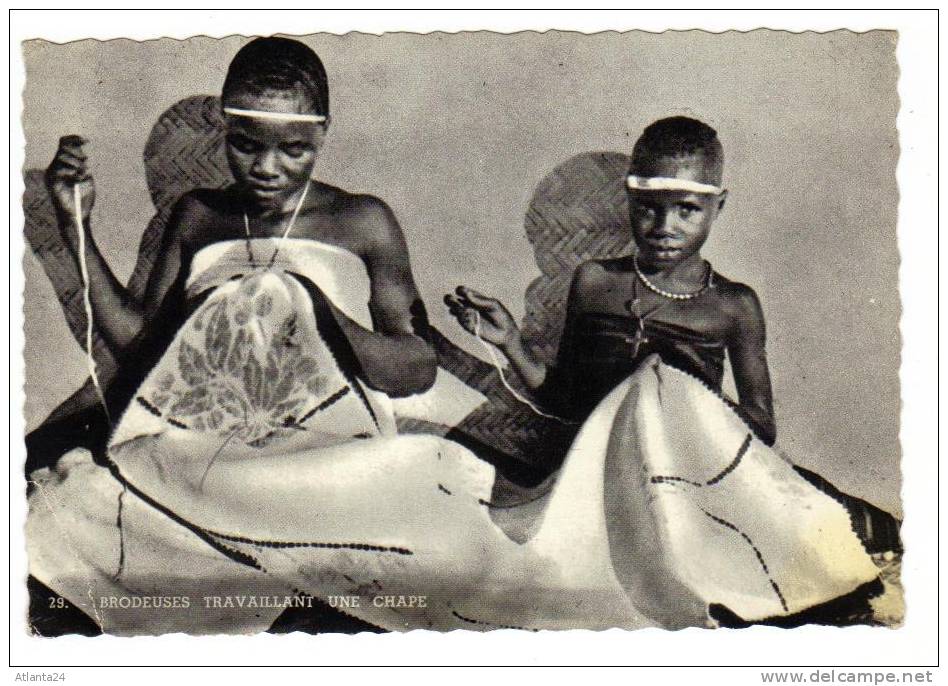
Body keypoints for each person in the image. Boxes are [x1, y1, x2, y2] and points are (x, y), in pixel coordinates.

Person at [446, 116, 901, 625]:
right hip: (606, 477)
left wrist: (676, 392)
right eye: (648, 209)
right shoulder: (595, 283)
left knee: (843, 535)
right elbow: (565, 400)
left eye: (687, 210)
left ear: (718, 206)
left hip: (700, 480)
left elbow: (761, 427)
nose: (665, 228)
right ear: (629, 202)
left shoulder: (732, 305)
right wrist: (509, 341)